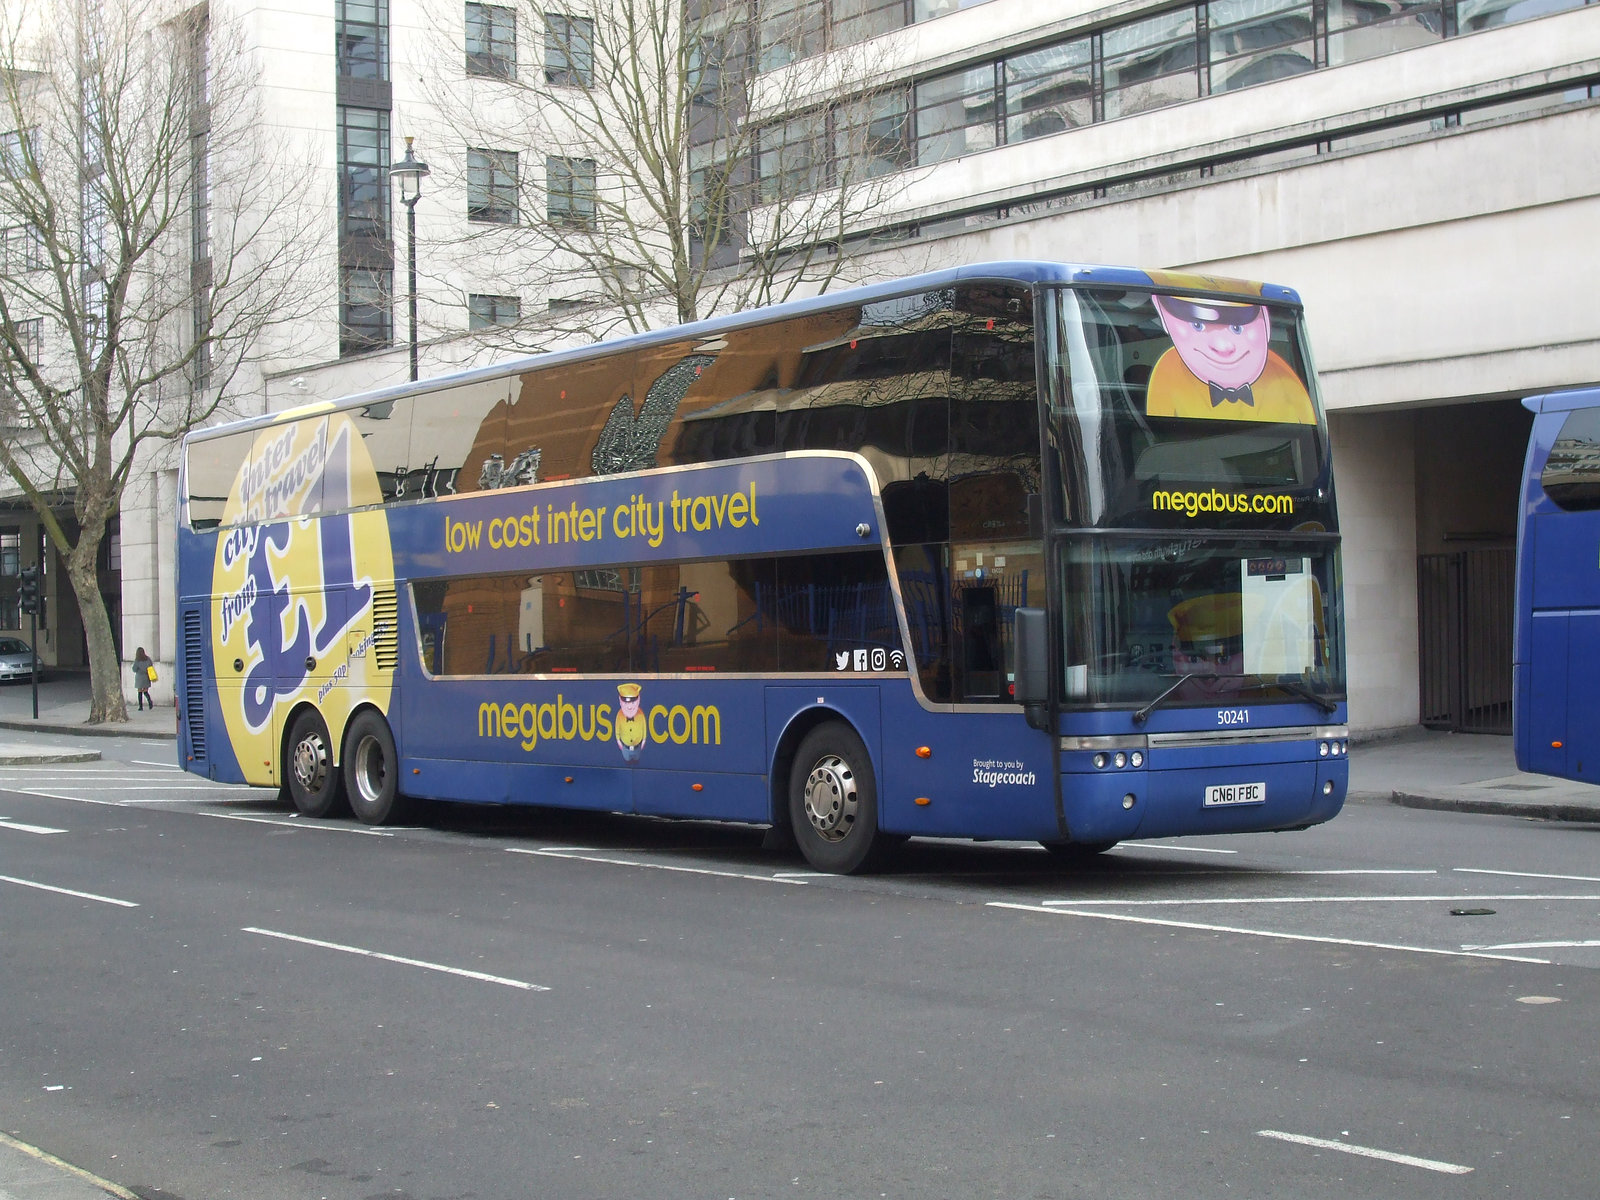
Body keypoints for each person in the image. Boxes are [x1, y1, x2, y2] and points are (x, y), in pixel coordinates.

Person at [1146, 295, 1316, 424]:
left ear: (1265, 322)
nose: (1223, 346)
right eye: (1198, 326)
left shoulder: (1284, 378)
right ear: (1164, 317)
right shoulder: (1168, 371)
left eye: (1237, 327)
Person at [132, 647, 154, 711]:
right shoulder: (148, 659)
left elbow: (134, 669)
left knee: (139, 692)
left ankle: (140, 706)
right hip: (146, 676)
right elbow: (150, 666)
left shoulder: (137, 660)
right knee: (145, 691)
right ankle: (150, 702)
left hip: (139, 677)